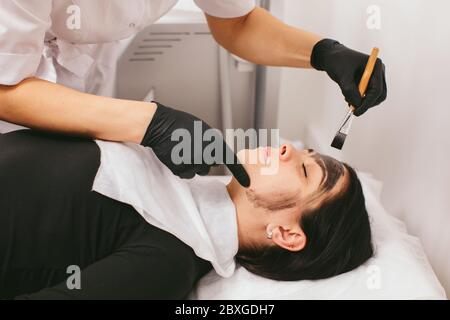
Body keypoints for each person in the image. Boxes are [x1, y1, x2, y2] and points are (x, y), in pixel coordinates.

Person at [0, 0, 387, 184]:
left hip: (81, 65)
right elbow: (5, 85)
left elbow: (235, 21)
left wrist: (323, 52)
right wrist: (151, 122)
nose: (287, 149)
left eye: (305, 166)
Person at [0, 129, 372, 299]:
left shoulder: (169, 262)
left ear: (287, 234)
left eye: (305, 171)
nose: (289, 148)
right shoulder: (180, 180)